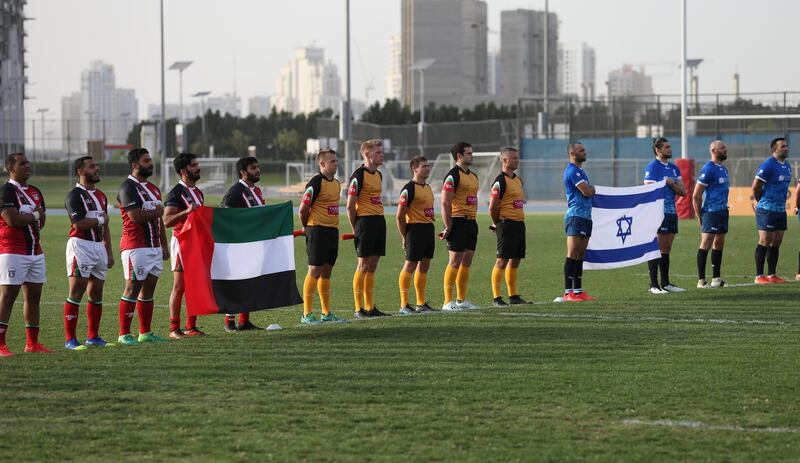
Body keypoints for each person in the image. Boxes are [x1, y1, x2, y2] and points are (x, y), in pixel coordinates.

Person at [0, 153, 52, 356]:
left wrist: (32, 217)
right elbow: (13, 220)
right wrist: (35, 215)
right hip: (12, 251)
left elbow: (42, 221)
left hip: (35, 251)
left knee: (34, 297)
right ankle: (1, 345)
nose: (28, 166)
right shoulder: (5, 191)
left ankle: (32, 344)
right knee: (7, 298)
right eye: (22, 164)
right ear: (11, 169)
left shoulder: (35, 191)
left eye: (28, 163)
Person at [116, 148, 169, 345]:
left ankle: (145, 332)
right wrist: (158, 212)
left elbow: (159, 219)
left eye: (150, 160)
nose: (151, 163)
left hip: (154, 246)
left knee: (149, 290)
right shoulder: (127, 187)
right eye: (146, 160)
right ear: (135, 165)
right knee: (132, 288)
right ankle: (124, 334)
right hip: (135, 246)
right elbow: (135, 217)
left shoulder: (154, 188)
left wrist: (163, 245)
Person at [63, 156, 115, 350]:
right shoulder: (74, 196)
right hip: (80, 245)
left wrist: (108, 250)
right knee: (77, 291)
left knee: (96, 292)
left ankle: (93, 337)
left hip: (98, 247)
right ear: (81, 171)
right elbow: (78, 224)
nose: (97, 168)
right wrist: (101, 221)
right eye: (92, 166)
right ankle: (70, 340)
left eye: (96, 165)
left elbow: (106, 226)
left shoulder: (101, 195)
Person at [298, 149, 345, 324]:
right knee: (314, 270)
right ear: (322, 164)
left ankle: (326, 314)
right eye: (332, 161)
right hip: (316, 230)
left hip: (332, 231)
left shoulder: (337, 183)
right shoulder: (315, 183)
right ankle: (307, 314)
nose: (336, 164)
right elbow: (303, 209)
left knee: (327, 272)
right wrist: (305, 227)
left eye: (336, 161)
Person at [163, 152, 206, 338]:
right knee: (179, 286)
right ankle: (174, 329)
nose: (197, 168)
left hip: (196, 243)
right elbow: (166, 220)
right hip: (182, 242)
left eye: (197, 164)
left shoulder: (197, 192)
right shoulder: (176, 193)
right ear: (183, 171)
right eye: (193, 165)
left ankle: (191, 327)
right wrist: (186, 212)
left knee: (194, 285)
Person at [220, 156, 265, 330]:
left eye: (258, 167)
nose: (257, 170)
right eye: (253, 168)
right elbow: (226, 216)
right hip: (238, 245)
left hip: (253, 243)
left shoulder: (256, 190)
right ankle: (229, 322)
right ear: (243, 172)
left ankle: (244, 321)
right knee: (236, 283)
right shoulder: (236, 191)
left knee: (249, 282)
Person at [347, 139, 389, 318]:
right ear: (367, 154)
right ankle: (359, 309)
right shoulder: (358, 175)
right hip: (364, 222)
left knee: (373, 265)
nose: (382, 154)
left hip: (379, 221)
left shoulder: (378, 174)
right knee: (363, 265)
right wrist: (356, 227)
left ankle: (370, 307)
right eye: (378, 152)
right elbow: (350, 206)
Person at [643, 137, 686, 294]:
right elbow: (648, 191)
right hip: (657, 212)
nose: (670, 149)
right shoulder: (652, 167)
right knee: (656, 247)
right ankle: (654, 285)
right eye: (666, 147)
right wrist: (664, 183)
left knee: (666, 248)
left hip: (671, 212)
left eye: (670, 146)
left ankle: (665, 283)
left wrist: (671, 183)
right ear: (658, 150)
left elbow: (683, 192)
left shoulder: (674, 169)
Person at [440, 142, 479, 311]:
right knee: (454, 261)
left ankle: (461, 300)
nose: (472, 155)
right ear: (459, 156)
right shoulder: (452, 176)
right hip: (457, 221)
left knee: (467, 262)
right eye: (469, 153)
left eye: (472, 152)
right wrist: (448, 226)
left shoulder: (473, 176)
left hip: (471, 222)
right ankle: (448, 302)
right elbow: (445, 202)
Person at [396, 155, 436, 314]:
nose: (427, 168)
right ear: (415, 169)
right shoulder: (409, 188)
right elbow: (399, 216)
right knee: (410, 265)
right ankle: (404, 305)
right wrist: (404, 236)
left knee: (425, 265)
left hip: (428, 229)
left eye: (428, 166)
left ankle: (421, 303)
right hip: (414, 230)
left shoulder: (427, 187)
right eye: (424, 166)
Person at [489, 147, 528, 306]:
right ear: (505, 160)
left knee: (515, 260)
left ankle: (513, 296)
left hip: (519, 224)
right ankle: (497, 298)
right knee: (502, 261)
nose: (517, 160)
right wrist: (497, 223)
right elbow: (492, 206)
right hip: (506, 224)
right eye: (513, 158)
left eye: (517, 158)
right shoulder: (500, 181)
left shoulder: (518, 180)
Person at [752, 137, 792, 284]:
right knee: (765, 240)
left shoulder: (787, 166)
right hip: (767, 209)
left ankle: (772, 275)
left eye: (786, 146)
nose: (786, 148)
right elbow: (755, 186)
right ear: (774, 149)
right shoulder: (768, 165)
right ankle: (759, 276)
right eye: (782, 146)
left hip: (781, 210)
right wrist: (760, 201)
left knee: (777, 241)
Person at [692, 141, 729, 289]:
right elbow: (696, 195)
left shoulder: (724, 169)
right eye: (722, 148)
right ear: (714, 150)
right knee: (706, 243)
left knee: (719, 243)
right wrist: (699, 215)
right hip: (710, 212)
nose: (725, 150)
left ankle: (716, 279)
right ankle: (701, 281)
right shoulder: (708, 169)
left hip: (722, 211)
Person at [562, 142, 596, 302]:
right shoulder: (573, 171)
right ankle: (568, 292)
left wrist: (591, 189)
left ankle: (578, 291)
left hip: (586, 217)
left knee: (581, 254)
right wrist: (592, 189)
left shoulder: (581, 171)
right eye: (581, 150)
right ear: (572, 153)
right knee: (572, 253)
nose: (585, 153)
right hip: (575, 216)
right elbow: (587, 191)